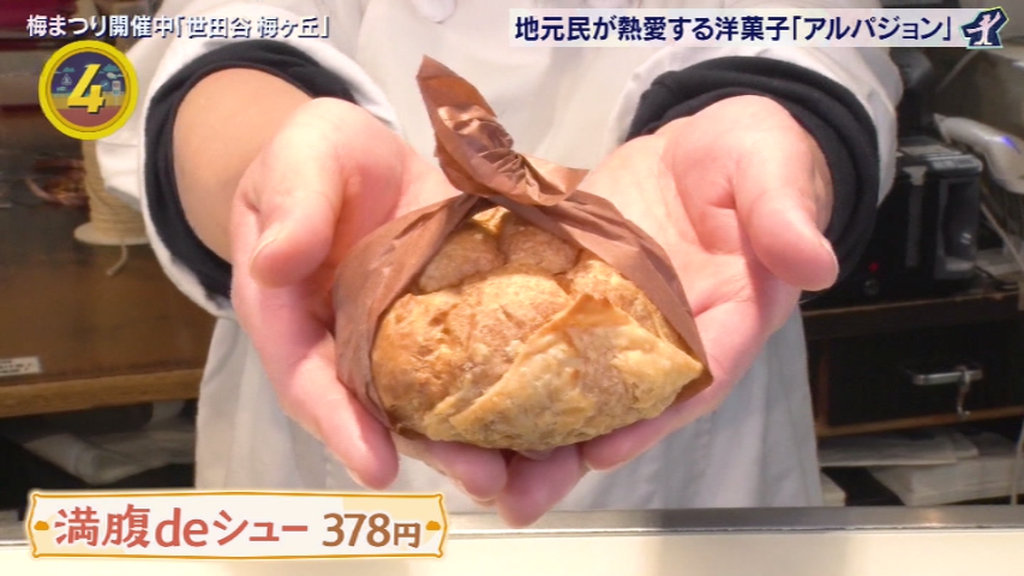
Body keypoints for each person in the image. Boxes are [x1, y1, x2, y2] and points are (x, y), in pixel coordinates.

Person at [97, 0, 901, 526]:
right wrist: (279, 170)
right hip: (324, 407)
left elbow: (812, 41)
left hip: (701, 394)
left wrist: (778, 139)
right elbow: (230, 37)